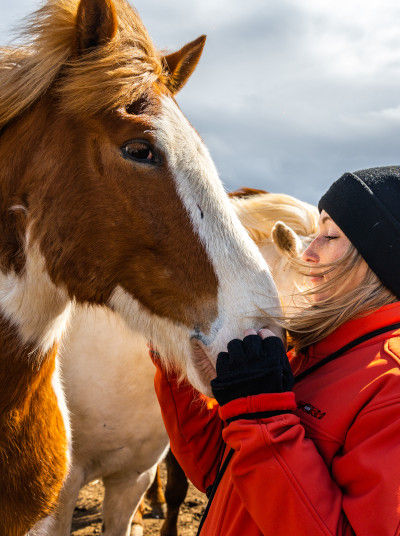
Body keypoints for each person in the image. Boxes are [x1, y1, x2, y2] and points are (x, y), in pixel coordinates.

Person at [151, 166, 400, 535]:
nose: (308, 253)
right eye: (315, 232)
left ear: (378, 260)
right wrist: (174, 349)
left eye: (329, 235)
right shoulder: (309, 352)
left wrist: (261, 416)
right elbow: (216, 469)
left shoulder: (389, 390)